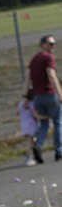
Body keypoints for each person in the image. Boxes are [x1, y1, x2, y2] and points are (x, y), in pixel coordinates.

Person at [23, 34, 62, 163]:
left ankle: (38, 145)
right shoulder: (48, 58)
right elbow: (51, 75)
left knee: (44, 123)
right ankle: (59, 150)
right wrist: (60, 93)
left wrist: (25, 97)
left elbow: (28, 79)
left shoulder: (34, 59)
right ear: (43, 44)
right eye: (50, 43)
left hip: (38, 97)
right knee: (57, 122)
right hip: (49, 94)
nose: (53, 46)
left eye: (54, 44)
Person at [17, 90, 40, 166]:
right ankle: (29, 157)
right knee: (31, 142)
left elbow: (17, 113)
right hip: (31, 124)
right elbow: (35, 115)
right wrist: (45, 117)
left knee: (32, 140)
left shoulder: (21, 104)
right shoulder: (31, 104)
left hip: (24, 124)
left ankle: (30, 156)